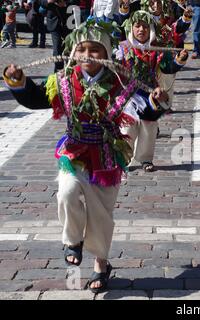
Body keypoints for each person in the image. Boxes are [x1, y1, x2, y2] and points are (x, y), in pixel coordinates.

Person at [2, 19, 148, 293]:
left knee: (101, 215)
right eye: (82, 49)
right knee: (67, 192)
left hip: (106, 157)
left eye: (95, 50)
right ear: (73, 53)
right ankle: (72, 240)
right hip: (74, 151)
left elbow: (149, 108)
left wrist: (156, 100)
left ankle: (101, 265)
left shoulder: (120, 81)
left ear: (106, 54)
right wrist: (19, 82)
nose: (87, 55)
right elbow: (35, 99)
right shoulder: (64, 81)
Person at [116, 9, 189, 172]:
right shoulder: (123, 49)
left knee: (149, 127)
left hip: (150, 95)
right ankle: (122, 158)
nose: (141, 30)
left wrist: (179, 61)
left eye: (145, 27)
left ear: (151, 30)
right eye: (137, 26)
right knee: (127, 126)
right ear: (131, 28)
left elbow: (168, 68)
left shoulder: (157, 50)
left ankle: (145, 159)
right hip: (128, 95)